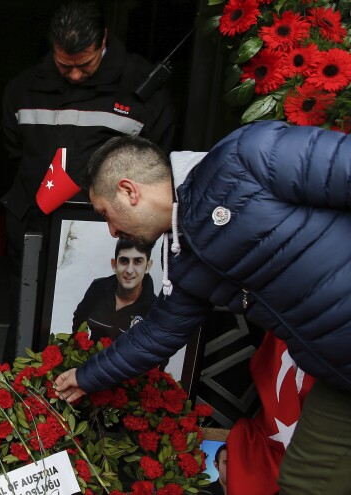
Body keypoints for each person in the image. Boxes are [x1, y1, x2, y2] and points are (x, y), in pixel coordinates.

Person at [54, 121, 351, 494]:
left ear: (129, 191)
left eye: (104, 214)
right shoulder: (185, 260)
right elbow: (157, 334)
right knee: (302, 484)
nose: (111, 232)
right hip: (339, 375)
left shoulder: (248, 154)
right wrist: (86, 377)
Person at [1, 0, 175, 359]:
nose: (76, 75)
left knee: (89, 322)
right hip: (35, 223)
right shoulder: (24, 87)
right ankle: (18, 392)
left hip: (106, 232)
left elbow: (156, 169)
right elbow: (13, 151)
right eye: (66, 66)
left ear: (104, 41)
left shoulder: (142, 89)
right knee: (26, 318)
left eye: (85, 64)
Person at [72, 237, 154, 340]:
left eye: (137, 261)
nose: (129, 270)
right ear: (114, 265)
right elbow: (79, 319)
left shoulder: (154, 310)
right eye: (124, 261)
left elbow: (156, 352)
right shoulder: (97, 289)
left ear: (148, 266)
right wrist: (80, 349)